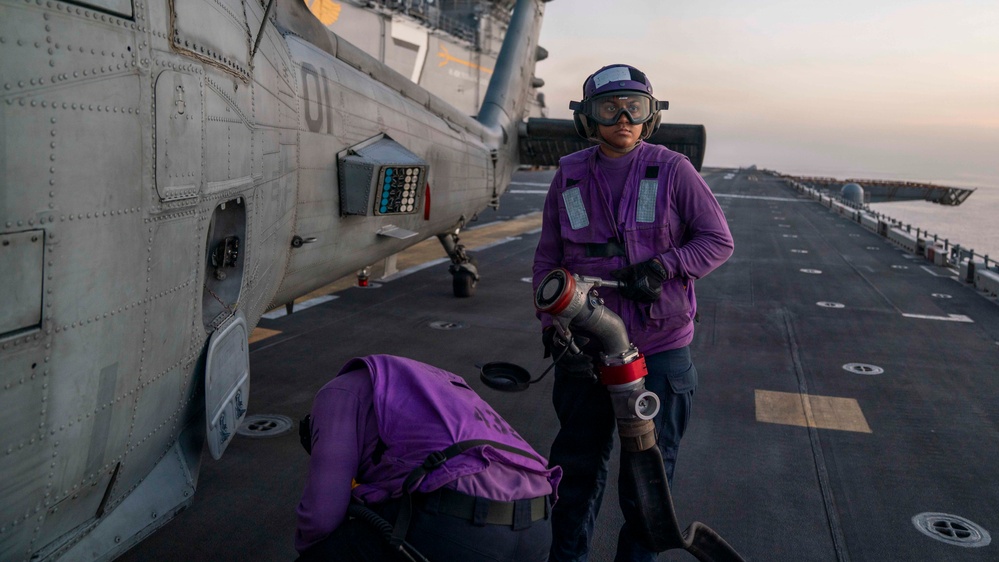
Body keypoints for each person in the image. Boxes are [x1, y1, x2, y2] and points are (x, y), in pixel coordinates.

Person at [532, 64, 734, 562]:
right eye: (609, 107)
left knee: (647, 485)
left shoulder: (672, 170)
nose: (623, 117)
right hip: (586, 349)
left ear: (651, 116)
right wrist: (551, 327)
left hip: (659, 356)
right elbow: (547, 260)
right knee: (576, 473)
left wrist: (666, 267)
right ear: (587, 118)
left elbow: (717, 241)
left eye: (635, 107)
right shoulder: (569, 175)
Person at [295, 354, 561, 561]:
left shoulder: (336, 394)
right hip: (540, 527)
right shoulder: (418, 385)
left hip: (466, 526)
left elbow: (321, 518)